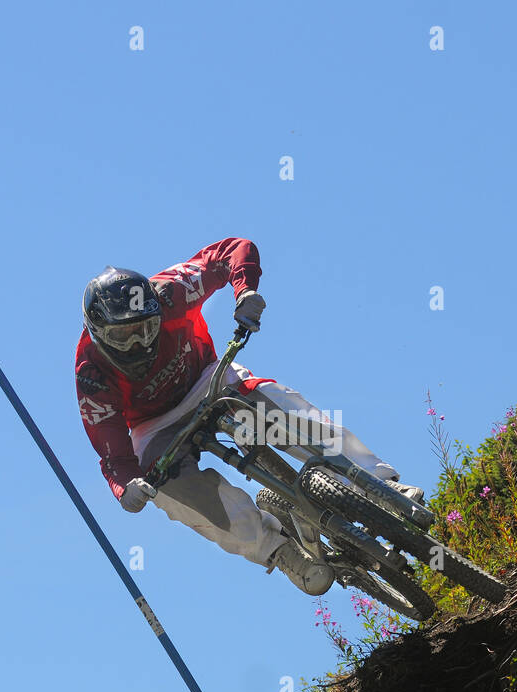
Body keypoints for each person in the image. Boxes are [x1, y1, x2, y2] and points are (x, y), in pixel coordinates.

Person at [75, 237, 421, 596]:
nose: (138, 344)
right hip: (154, 425)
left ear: (157, 311)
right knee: (167, 489)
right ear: (98, 335)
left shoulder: (170, 292)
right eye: (123, 336)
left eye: (145, 329)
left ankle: (379, 484)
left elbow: (231, 250)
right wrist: (127, 488)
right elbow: (115, 456)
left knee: (277, 404)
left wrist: (245, 291)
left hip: (206, 377)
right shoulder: (92, 376)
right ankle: (280, 551)